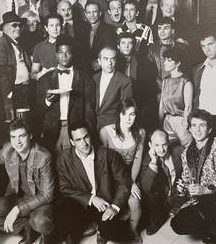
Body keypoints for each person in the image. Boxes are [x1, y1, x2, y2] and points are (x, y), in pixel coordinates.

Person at [0, 119, 56, 244]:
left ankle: (42, 229)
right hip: (19, 197)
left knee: (40, 221)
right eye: (13, 137)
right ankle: (27, 227)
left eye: (22, 136)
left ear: (30, 136)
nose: (18, 142)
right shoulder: (8, 150)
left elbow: (47, 195)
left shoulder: (43, 157)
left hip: (40, 201)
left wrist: (17, 209)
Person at [56, 121, 131, 244]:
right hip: (80, 203)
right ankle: (76, 231)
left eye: (86, 137)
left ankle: (101, 230)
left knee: (115, 232)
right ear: (72, 142)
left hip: (104, 203)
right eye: (78, 140)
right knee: (63, 210)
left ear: (90, 136)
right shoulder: (64, 159)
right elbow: (64, 187)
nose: (84, 143)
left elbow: (124, 182)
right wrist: (91, 199)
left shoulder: (108, 154)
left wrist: (115, 207)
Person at [36, 36, 96, 154]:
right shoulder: (44, 80)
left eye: (67, 52)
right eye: (60, 52)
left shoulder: (85, 79)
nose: (64, 56)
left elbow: (89, 112)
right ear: (56, 54)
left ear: (73, 54)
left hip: (76, 131)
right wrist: (47, 101)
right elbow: (37, 111)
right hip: (51, 131)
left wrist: (88, 135)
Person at [100, 98, 145, 242]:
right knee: (105, 199)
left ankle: (133, 231)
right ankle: (101, 232)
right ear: (119, 114)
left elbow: (137, 160)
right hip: (110, 177)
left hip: (131, 175)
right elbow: (102, 163)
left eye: (132, 114)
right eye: (125, 114)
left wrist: (131, 183)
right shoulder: (106, 132)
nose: (128, 118)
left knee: (135, 200)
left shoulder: (141, 132)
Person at [170, 109, 216, 244]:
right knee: (177, 223)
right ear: (189, 129)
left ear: (209, 129)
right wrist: (182, 187)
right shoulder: (186, 153)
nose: (197, 130)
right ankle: (210, 227)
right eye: (194, 125)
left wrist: (205, 189)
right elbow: (186, 179)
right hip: (200, 200)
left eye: (202, 125)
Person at [140, 129, 183, 235]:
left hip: (178, 191)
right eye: (157, 145)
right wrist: (154, 162)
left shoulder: (179, 151)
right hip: (161, 196)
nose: (161, 149)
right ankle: (158, 218)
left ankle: (174, 206)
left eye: (164, 145)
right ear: (150, 145)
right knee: (150, 193)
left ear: (169, 143)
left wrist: (185, 181)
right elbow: (147, 187)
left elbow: (192, 168)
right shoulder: (147, 159)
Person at [0, 12, 31, 120]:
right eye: (14, 25)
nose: (18, 28)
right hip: (13, 93)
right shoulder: (1, 45)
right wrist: (9, 94)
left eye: (20, 25)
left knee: (24, 123)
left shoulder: (18, 43)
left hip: (23, 90)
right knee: (14, 123)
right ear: (5, 28)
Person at [159, 47, 193, 147]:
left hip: (181, 121)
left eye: (169, 60)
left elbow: (188, 106)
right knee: (164, 149)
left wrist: (185, 123)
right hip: (167, 120)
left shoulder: (185, 81)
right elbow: (162, 104)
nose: (165, 63)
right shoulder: (165, 81)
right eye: (165, 60)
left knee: (188, 150)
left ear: (178, 63)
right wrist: (160, 122)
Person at [93, 46, 132, 130]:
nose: (110, 63)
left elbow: (125, 109)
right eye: (106, 59)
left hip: (112, 126)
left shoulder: (124, 81)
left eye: (112, 59)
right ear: (99, 61)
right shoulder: (94, 78)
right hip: (93, 126)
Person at [81, 1, 116, 73]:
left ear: (100, 13)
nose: (91, 15)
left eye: (94, 12)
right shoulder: (82, 29)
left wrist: (99, 64)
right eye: (88, 12)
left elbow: (109, 51)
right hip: (85, 69)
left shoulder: (109, 29)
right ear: (85, 14)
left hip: (102, 69)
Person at [193, 27, 216, 135]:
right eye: (203, 46)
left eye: (210, 44)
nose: (207, 49)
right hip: (202, 121)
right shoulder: (198, 69)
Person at [31, 14, 63, 81]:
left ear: (61, 27)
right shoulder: (38, 47)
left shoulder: (69, 44)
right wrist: (39, 75)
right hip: (45, 87)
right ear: (46, 28)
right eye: (51, 25)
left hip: (65, 85)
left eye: (58, 25)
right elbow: (33, 73)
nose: (55, 29)